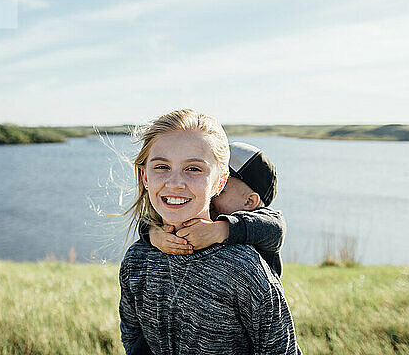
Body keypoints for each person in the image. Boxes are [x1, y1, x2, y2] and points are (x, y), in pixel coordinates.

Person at [119, 109, 300, 355]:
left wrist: (222, 230)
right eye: (161, 166)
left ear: (220, 181)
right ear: (145, 176)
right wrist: (152, 232)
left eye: (193, 169)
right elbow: (133, 337)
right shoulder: (136, 260)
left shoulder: (243, 268)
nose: (174, 183)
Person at [140, 141, 286, 277]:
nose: (209, 193)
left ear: (249, 201)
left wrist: (220, 230)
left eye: (219, 189)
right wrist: (155, 234)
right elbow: (150, 218)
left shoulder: (264, 222)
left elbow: (275, 228)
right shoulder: (206, 213)